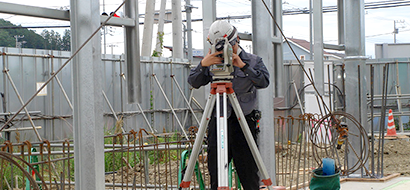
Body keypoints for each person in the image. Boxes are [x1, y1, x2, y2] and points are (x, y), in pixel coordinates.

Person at [187, 20, 270, 190]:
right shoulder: (211, 61)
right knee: (216, 172)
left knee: (248, 173)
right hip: (218, 121)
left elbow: (263, 82)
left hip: (243, 121)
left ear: (236, 40)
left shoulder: (253, 61)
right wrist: (204, 64)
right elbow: (193, 82)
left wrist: (243, 66)